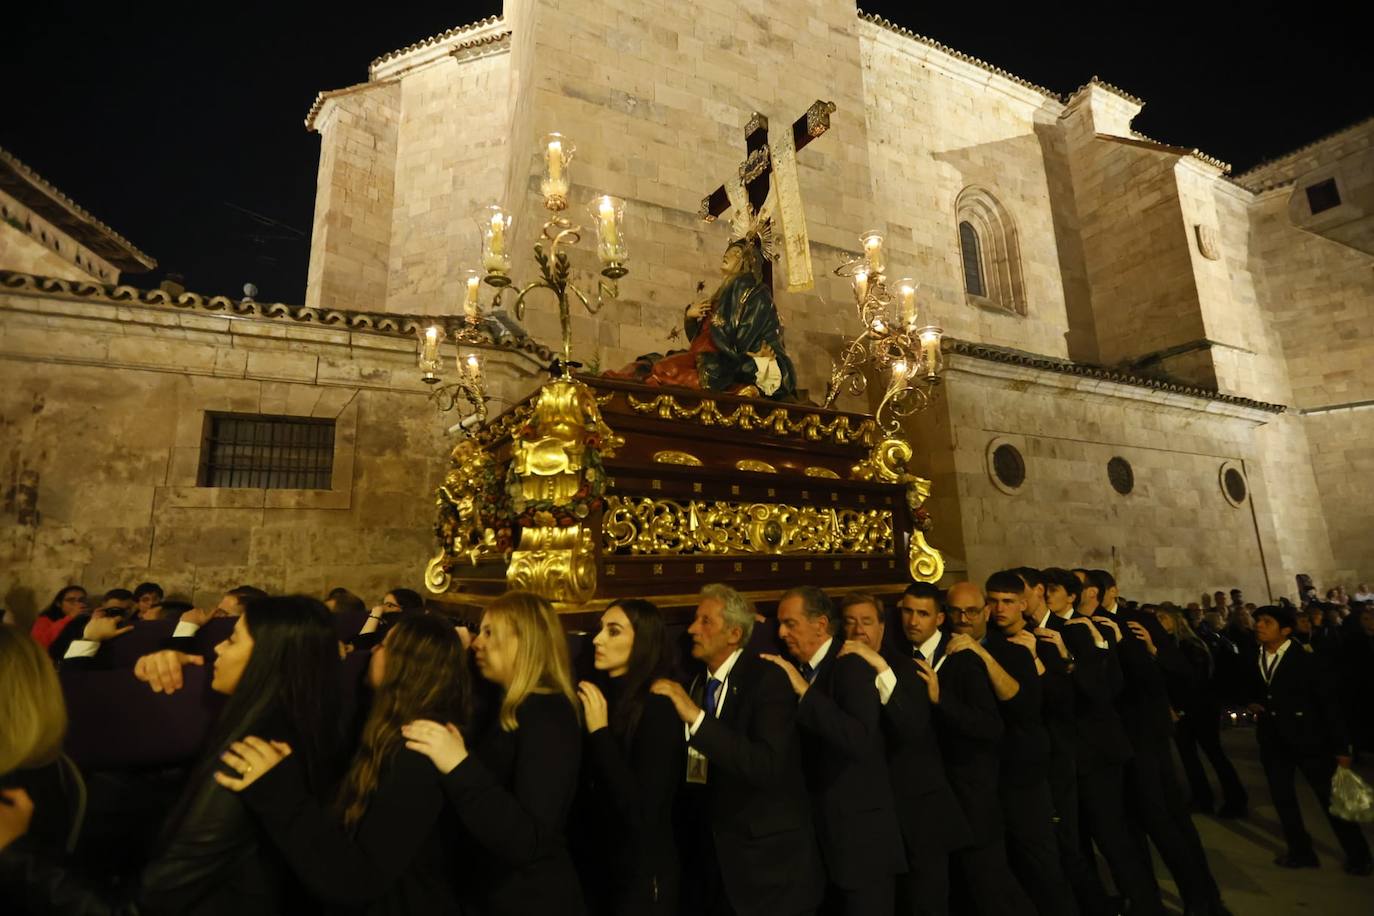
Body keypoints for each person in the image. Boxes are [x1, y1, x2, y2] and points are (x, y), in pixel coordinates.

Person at [1, 595, 345, 914]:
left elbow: (141, 909)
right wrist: (163, 660)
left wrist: (16, 850)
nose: (218, 647)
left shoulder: (249, 759)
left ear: (269, 657)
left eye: (233, 639)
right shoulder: (276, 728)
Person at [216, 614, 471, 915]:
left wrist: (277, 791)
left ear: (407, 666)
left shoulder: (419, 750)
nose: (373, 652)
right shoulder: (380, 721)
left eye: (384, 646)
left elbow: (359, 879)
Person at [403, 591, 587, 915]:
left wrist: (459, 766)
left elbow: (529, 840)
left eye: (490, 632)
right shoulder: (507, 704)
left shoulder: (548, 714)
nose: (477, 642)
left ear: (524, 641)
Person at [650, 583, 823, 916]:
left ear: (733, 633)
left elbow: (766, 765)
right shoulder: (698, 684)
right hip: (719, 867)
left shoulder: (767, 679)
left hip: (771, 870)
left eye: (705, 621)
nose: (691, 630)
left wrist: (695, 717)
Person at [764, 586, 904, 916]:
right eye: (779, 625)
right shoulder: (801, 668)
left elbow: (857, 738)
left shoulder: (849, 665)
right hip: (822, 844)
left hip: (861, 844)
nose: (782, 633)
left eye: (790, 624)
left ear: (821, 624)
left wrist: (803, 692)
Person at [838, 592, 970, 916]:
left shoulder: (905, 668)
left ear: (882, 627)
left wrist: (881, 668)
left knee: (928, 901)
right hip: (876, 821)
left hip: (920, 812)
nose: (858, 630)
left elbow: (911, 729)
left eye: (867, 622)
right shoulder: (838, 668)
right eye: (850, 622)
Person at [910, 581, 1034, 916]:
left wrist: (941, 700)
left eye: (971, 611)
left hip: (980, 790)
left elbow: (993, 725)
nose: (963, 618)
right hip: (945, 793)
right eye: (956, 611)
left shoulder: (969, 658)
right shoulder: (925, 651)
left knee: (992, 885)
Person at [977, 572, 1080, 916]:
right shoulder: (985, 640)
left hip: (1040, 764)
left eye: (1008, 601)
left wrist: (1036, 659)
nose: (1000, 608)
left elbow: (1063, 701)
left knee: (1047, 859)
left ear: (1023, 603)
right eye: (993, 601)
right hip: (999, 765)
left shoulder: (1043, 640)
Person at [573, 599, 683, 915]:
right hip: (606, 867)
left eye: (613, 631)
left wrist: (599, 733)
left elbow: (640, 811)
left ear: (643, 642)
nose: (597, 639)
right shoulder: (609, 696)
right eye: (600, 630)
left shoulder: (658, 706)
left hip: (643, 877)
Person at [1248, 604, 1372, 875]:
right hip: (1273, 740)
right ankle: (1301, 851)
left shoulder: (1305, 658)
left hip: (1310, 739)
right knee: (1283, 799)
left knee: (1329, 799)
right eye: (1257, 621)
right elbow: (1258, 689)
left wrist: (1342, 746)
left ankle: (1359, 854)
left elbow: (1329, 704)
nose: (1258, 625)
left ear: (1285, 630)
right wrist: (1255, 703)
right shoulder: (1253, 655)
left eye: (1266, 622)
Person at [604, 236, 797, 400]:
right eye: (728, 251)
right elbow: (703, 337)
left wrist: (746, 359)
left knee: (664, 369)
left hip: (723, 361)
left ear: (748, 261)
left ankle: (735, 389)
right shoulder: (722, 294)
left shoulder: (753, 292)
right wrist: (690, 317)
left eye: (736, 253)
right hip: (704, 356)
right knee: (643, 365)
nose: (728, 255)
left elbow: (742, 339)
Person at [1156, 607, 1247, 818]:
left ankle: (1236, 798)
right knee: (1188, 756)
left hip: (1199, 708)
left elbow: (1193, 679)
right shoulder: (1167, 644)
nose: (1158, 621)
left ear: (1176, 620)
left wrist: (1181, 707)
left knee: (1214, 754)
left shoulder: (1191, 645)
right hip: (1180, 710)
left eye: (1163, 617)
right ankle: (1201, 796)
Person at [354, 588, 425, 651]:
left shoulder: (404, 632)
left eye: (389, 605)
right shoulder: (381, 625)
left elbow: (361, 646)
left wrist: (375, 616)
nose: (382, 608)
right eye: (383, 604)